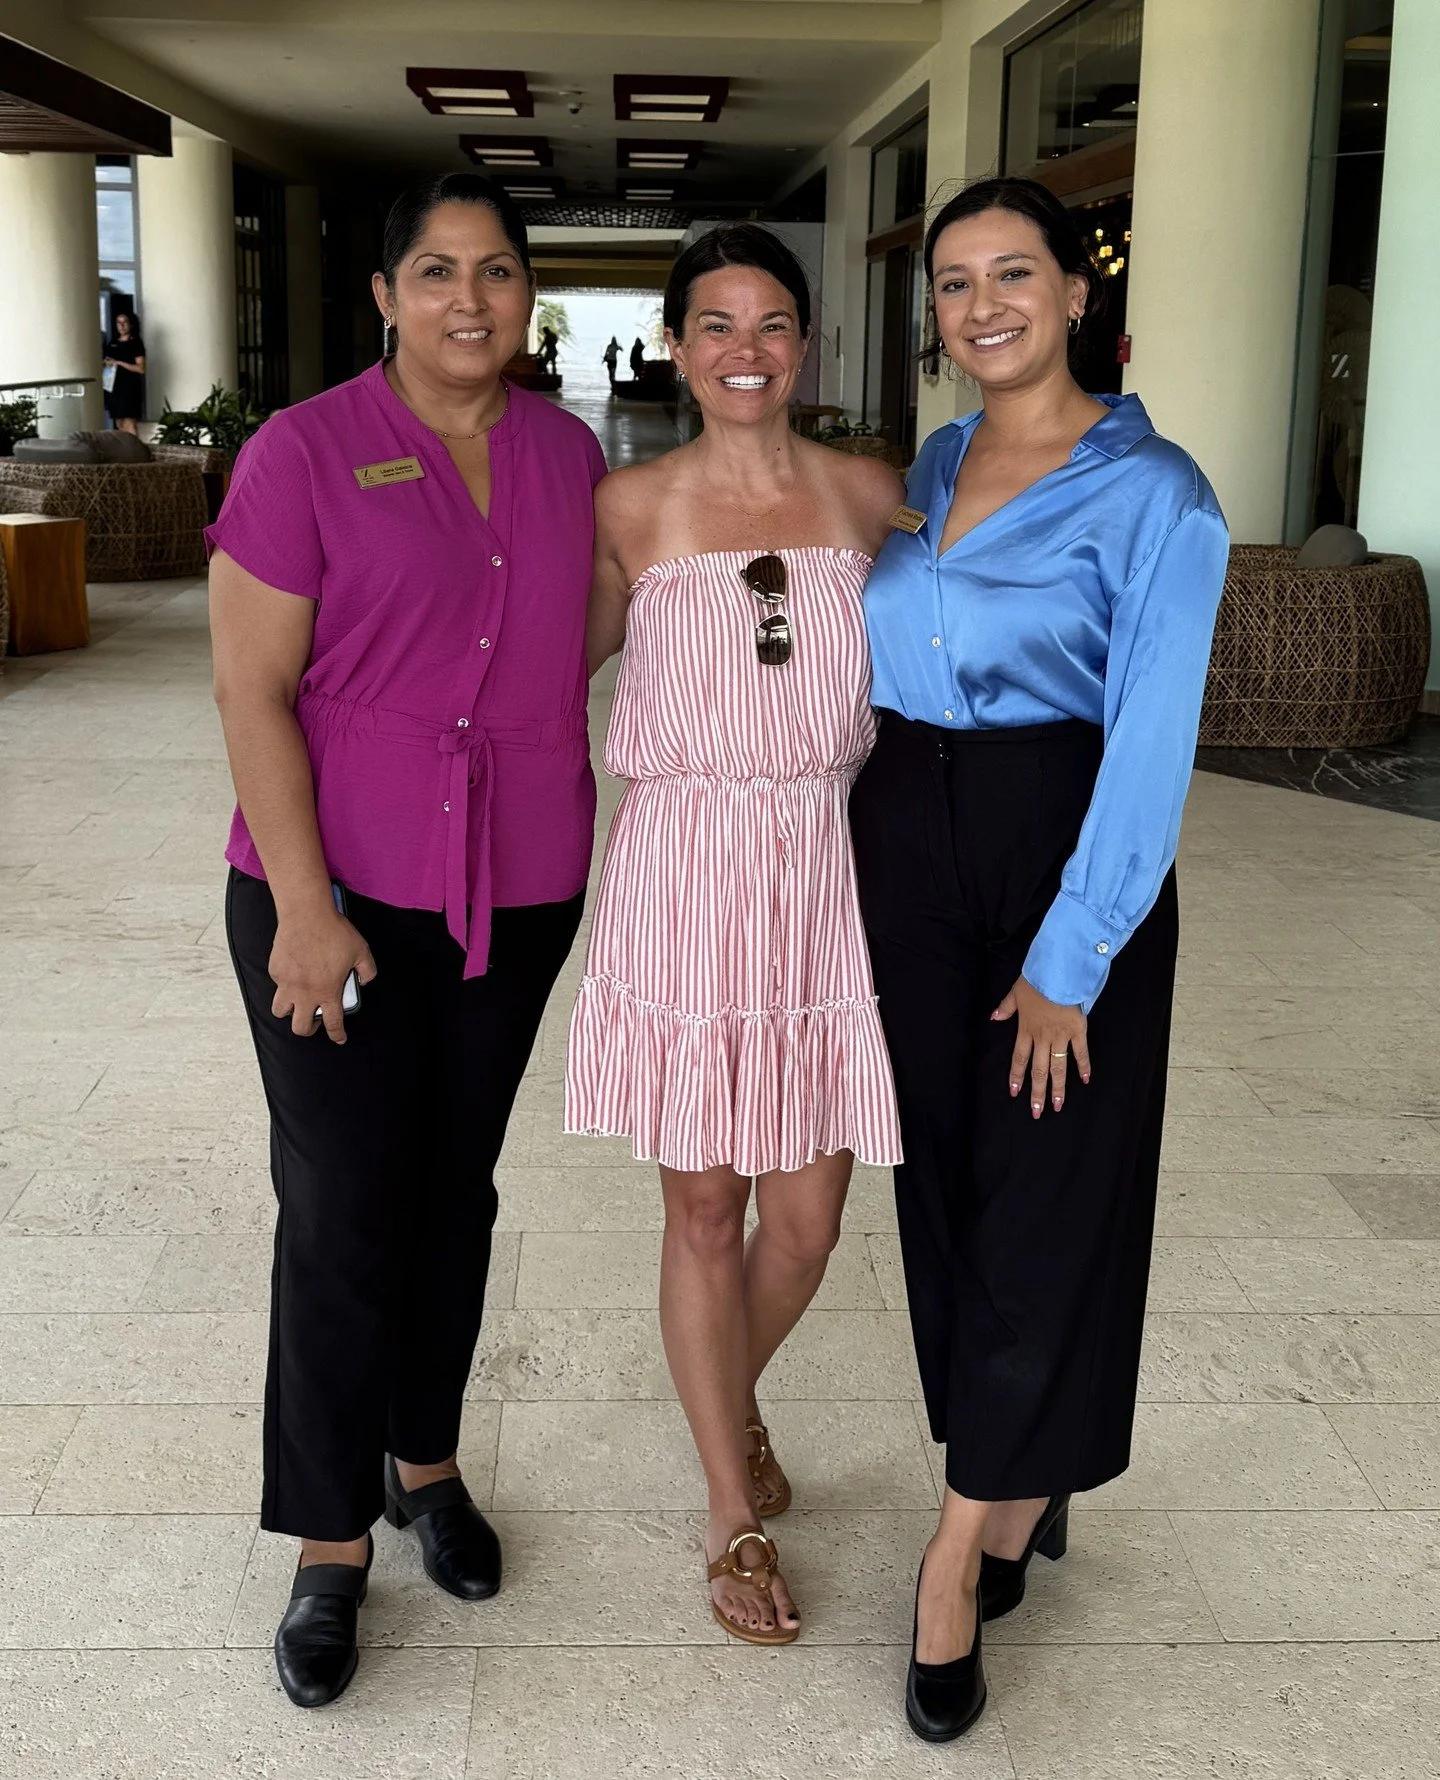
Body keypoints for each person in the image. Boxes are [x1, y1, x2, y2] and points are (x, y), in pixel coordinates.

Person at [208, 171, 607, 1710]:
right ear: (385, 294)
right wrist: (305, 910)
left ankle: (422, 1461)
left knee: (456, 1187)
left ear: (528, 294)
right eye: (436, 271)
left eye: (497, 270)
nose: (469, 299)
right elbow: (251, 688)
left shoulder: (568, 454)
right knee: (342, 1205)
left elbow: (591, 629)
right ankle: (328, 1542)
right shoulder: (302, 452)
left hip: (516, 886)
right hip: (339, 895)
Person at [850, 175, 1229, 1742]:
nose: (982, 304)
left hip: (1061, 848)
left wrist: (1074, 955)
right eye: (955, 281)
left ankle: (959, 1552)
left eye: (1015, 273)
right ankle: (1014, 1474)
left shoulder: (1160, 495)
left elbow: (1150, 739)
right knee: (942, 1184)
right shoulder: (934, 465)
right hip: (905, 840)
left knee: (1049, 1190)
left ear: (1078, 292)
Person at [567, 223, 904, 1645]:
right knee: (707, 1210)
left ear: (805, 343)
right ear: (676, 345)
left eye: (772, 322)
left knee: (809, 1222)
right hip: (683, 874)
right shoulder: (630, 504)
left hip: (826, 870)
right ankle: (729, 1505)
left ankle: (727, 1397)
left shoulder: (869, 494)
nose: (745, 349)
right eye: (715, 323)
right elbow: (545, 660)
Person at [103, 311, 145, 434]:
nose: (121, 326)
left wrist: (119, 363)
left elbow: (141, 368)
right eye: (118, 323)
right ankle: (124, 446)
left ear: (130, 324)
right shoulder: (113, 343)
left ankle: (134, 446)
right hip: (113, 387)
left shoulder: (135, 343)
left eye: (124, 322)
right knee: (119, 423)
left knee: (129, 422)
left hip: (129, 389)